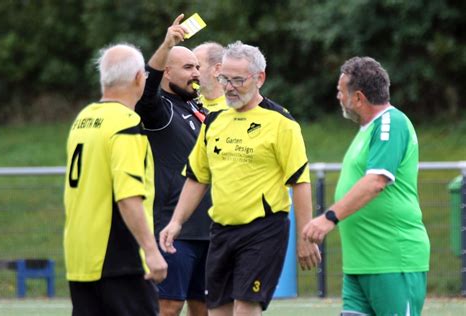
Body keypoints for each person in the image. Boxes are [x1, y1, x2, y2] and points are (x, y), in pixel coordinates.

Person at [160, 40, 322, 315]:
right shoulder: (214, 121)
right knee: (217, 311)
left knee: (246, 309)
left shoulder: (281, 122)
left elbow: (300, 181)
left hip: (263, 231)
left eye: (238, 80)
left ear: (260, 78)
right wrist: (176, 222)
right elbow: (198, 177)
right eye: (224, 79)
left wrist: (306, 236)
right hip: (221, 231)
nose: (230, 86)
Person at [303, 57, 430, 316]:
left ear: (358, 98)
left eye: (341, 91)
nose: (338, 97)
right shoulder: (367, 130)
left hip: (392, 259)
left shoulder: (390, 123)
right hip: (360, 264)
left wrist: (329, 218)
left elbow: (376, 181)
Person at [63, 43, 167, 316]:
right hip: (120, 257)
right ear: (138, 78)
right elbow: (128, 196)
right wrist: (151, 250)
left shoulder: (83, 119)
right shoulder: (125, 124)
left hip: (81, 255)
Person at [135, 14, 211, 316]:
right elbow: (145, 87)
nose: (196, 73)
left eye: (198, 67)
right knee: (168, 306)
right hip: (173, 229)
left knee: (205, 307)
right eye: (188, 67)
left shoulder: (197, 107)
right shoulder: (157, 110)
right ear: (167, 72)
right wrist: (167, 44)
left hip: (210, 227)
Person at [192, 42, 227, 112]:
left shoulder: (240, 106)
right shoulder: (190, 103)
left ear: (217, 69)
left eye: (197, 66)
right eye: (189, 67)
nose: (192, 72)